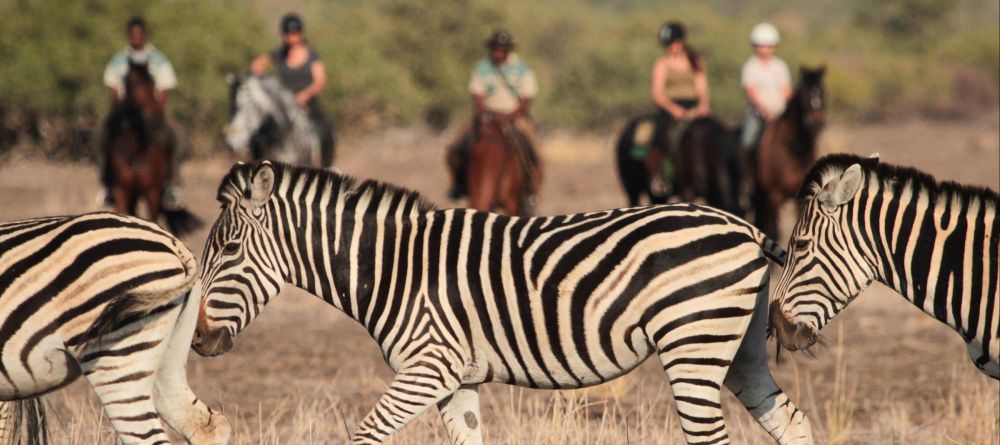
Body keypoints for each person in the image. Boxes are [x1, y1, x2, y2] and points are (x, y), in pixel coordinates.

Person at [446, 30, 540, 200]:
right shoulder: (483, 67)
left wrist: (509, 116)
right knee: (455, 145)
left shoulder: (522, 69)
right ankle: (458, 184)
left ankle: (531, 190)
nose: (497, 53)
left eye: (501, 50)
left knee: (534, 150)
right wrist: (482, 116)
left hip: (515, 117)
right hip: (487, 116)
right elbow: (477, 94)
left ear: (508, 50)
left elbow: (527, 98)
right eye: (494, 49)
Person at [100, 16, 182, 208]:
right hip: (124, 114)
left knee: (177, 138)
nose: (136, 37)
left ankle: (172, 186)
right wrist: (122, 108)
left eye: (139, 34)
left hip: (153, 114)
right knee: (100, 136)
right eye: (132, 34)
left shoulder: (159, 60)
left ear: (145, 35)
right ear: (128, 36)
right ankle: (107, 185)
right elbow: (113, 88)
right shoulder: (118, 60)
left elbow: (165, 89)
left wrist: (154, 110)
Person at [251, 13, 336, 167]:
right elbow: (257, 65)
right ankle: (257, 165)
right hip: (283, 103)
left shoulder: (312, 54)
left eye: (295, 33)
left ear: (300, 33)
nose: (292, 37)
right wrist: (265, 83)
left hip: (307, 101)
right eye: (289, 34)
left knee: (325, 128)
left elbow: (320, 80)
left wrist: (305, 95)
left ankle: (327, 167)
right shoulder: (279, 54)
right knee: (260, 131)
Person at [648, 21, 710, 195]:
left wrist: (703, 106)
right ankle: (658, 176)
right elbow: (657, 94)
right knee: (660, 136)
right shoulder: (662, 63)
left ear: (681, 42)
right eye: (667, 44)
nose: (670, 48)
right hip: (670, 109)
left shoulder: (695, 61)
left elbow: (702, 88)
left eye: (672, 44)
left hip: (693, 107)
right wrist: (673, 109)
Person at [740, 22, 792, 152]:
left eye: (768, 46)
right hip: (758, 115)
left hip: (780, 114)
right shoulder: (750, 66)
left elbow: (786, 90)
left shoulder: (780, 66)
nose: (764, 49)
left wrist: (784, 109)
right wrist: (765, 110)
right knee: (747, 142)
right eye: (761, 46)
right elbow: (751, 92)